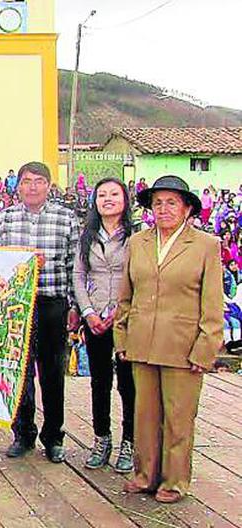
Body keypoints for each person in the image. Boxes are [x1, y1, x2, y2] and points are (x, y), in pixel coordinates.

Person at [114, 175, 222, 504]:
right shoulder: (139, 243)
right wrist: (122, 337)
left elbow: (213, 305)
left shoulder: (206, 245)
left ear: (188, 208)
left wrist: (204, 349)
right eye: (157, 203)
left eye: (171, 202)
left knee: (178, 418)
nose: (163, 209)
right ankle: (145, 474)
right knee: (144, 415)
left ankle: (174, 482)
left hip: (183, 346)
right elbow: (126, 298)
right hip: (142, 343)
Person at [0, 161, 79, 464]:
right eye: (26, 181)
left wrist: (73, 306)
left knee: (53, 372)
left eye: (38, 181)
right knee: (19, 371)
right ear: (18, 186)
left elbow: (73, 267)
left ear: (49, 185)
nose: (32, 186)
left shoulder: (66, 219)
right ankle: (23, 432)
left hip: (52, 302)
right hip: (17, 304)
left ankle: (53, 436)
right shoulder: (4, 219)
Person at [72, 178, 136, 473]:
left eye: (114, 194)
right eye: (101, 195)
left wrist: (119, 311)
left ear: (125, 199)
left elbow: (140, 277)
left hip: (127, 319)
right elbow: (78, 275)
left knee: (128, 383)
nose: (107, 199)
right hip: (94, 318)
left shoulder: (137, 236)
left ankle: (130, 442)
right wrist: (87, 312)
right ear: (94, 202)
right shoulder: (87, 235)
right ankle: (102, 438)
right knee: (99, 381)